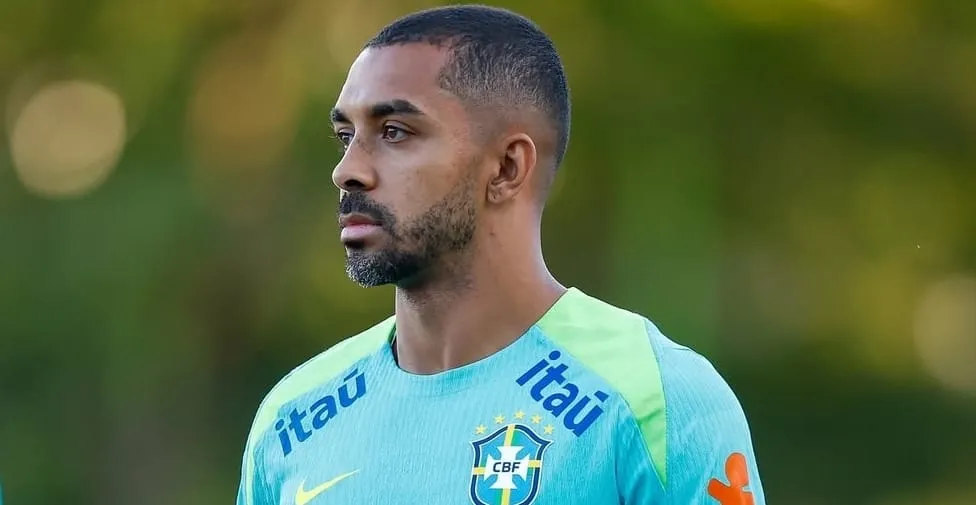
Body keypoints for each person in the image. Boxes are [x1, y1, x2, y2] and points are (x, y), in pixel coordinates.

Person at [235, 5, 765, 504]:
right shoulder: (292, 419)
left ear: (508, 168)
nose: (347, 170)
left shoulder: (656, 400)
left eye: (394, 132)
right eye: (345, 136)